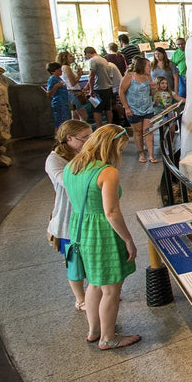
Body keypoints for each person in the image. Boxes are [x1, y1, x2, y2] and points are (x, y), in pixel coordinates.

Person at [63, 124, 141, 350]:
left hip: (80, 228)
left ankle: (94, 330)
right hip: (103, 232)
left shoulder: (72, 166)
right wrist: (128, 239)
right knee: (111, 289)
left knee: (95, 284)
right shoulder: (107, 172)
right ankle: (108, 338)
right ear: (113, 145)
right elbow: (111, 212)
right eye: (122, 148)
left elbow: (72, 200)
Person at [45, 120, 93, 311]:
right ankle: (81, 298)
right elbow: (66, 180)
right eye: (85, 138)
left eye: (91, 136)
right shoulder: (54, 159)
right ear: (69, 138)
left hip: (88, 214)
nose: (89, 141)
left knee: (91, 257)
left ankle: (94, 292)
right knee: (74, 262)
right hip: (67, 218)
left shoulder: (84, 153)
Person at [119, 56, 157, 163]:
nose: (150, 68)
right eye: (148, 66)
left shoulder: (148, 76)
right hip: (134, 109)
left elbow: (151, 94)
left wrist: (153, 88)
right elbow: (121, 91)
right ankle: (141, 152)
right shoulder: (129, 76)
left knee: (147, 130)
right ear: (142, 66)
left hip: (147, 108)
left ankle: (150, 154)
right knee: (138, 132)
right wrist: (126, 107)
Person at [84, 46, 113, 128]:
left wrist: (91, 90)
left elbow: (91, 76)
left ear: (88, 53)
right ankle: (109, 126)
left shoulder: (92, 60)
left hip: (99, 88)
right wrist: (87, 86)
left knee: (97, 110)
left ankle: (99, 128)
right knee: (108, 108)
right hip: (107, 87)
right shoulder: (103, 59)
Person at [57, 50, 88, 122]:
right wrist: (79, 75)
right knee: (83, 116)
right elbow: (73, 83)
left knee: (74, 114)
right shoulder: (66, 68)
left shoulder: (63, 68)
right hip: (74, 93)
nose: (72, 57)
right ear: (65, 58)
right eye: (70, 56)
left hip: (69, 94)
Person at [46, 62, 71, 132]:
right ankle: (58, 135)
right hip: (59, 103)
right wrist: (55, 86)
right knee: (59, 121)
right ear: (53, 71)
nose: (61, 71)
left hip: (64, 102)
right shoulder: (52, 79)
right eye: (59, 70)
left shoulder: (59, 78)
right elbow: (49, 94)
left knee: (66, 119)